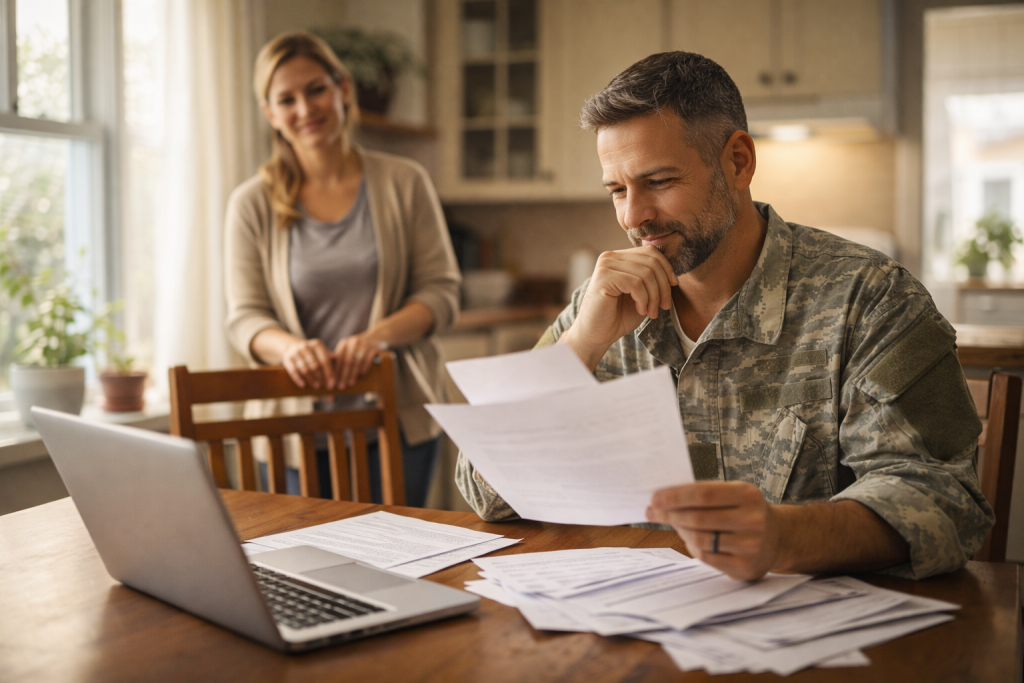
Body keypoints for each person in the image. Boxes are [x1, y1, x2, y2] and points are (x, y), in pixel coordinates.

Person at [456, 51, 994, 580]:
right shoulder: (599, 307)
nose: (632, 216)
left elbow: (945, 502)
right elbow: (483, 492)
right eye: (617, 190)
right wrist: (578, 346)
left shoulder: (870, 299)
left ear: (738, 161)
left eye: (659, 182)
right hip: (628, 633)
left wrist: (785, 537)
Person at [225, 32, 460, 507]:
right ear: (271, 114)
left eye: (315, 89)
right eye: (285, 99)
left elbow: (442, 294)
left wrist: (378, 339)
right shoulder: (251, 203)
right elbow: (245, 319)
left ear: (343, 89)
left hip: (400, 420)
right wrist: (291, 350)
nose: (305, 109)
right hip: (293, 432)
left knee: (401, 563)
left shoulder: (404, 181)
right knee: (303, 567)